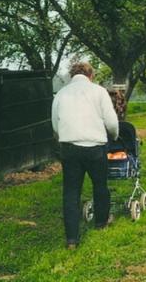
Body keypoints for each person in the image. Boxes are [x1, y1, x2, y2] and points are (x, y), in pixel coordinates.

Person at [52, 62, 119, 249]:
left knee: (71, 192)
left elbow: (55, 125)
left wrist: (64, 137)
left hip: (69, 147)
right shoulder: (98, 92)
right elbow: (112, 122)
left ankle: (72, 239)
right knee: (100, 185)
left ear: (71, 76)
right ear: (91, 75)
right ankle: (101, 223)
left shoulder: (61, 94)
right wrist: (113, 136)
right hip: (95, 147)